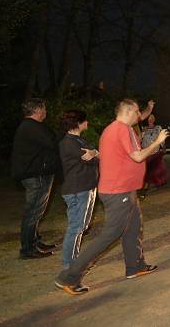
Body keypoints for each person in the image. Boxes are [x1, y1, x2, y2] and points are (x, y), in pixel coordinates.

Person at [55, 99, 169, 295]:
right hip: (118, 192)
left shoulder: (117, 129)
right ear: (129, 111)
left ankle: (135, 266)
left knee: (133, 228)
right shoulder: (121, 129)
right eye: (137, 112)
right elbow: (138, 156)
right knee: (110, 234)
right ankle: (68, 277)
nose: (139, 115)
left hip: (125, 190)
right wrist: (157, 143)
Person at [11, 98, 60, 259]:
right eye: (44, 109)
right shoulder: (30, 127)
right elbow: (52, 142)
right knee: (33, 211)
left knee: (36, 211)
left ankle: (34, 241)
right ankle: (28, 248)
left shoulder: (31, 127)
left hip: (37, 173)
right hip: (34, 174)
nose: (46, 112)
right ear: (38, 110)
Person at [58, 110, 99, 269]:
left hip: (86, 187)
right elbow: (90, 159)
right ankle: (69, 265)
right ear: (78, 123)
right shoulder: (68, 143)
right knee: (76, 226)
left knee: (82, 226)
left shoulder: (79, 140)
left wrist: (95, 153)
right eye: (85, 121)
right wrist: (95, 154)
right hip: (77, 189)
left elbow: (95, 155)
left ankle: (75, 260)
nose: (87, 123)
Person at [140, 114, 168, 193]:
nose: (151, 119)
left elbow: (162, 138)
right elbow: (140, 140)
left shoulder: (158, 128)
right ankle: (145, 186)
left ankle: (153, 183)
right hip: (146, 151)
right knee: (148, 169)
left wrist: (163, 147)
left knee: (156, 168)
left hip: (156, 151)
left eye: (153, 117)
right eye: (149, 117)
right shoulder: (144, 129)